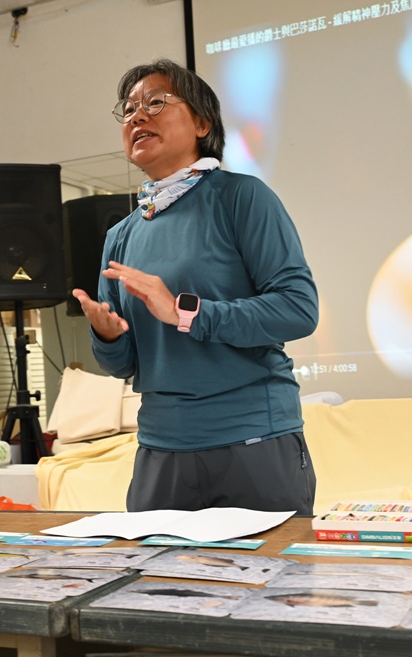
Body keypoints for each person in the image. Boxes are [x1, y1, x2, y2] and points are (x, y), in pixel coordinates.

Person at [72, 59, 319, 514]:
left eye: (156, 102)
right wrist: (107, 335)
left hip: (252, 440)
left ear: (203, 122)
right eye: (128, 110)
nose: (137, 117)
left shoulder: (242, 197)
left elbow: (298, 309)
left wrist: (186, 311)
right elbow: (123, 366)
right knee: (160, 584)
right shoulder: (120, 235)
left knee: (272, 584)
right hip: (160, 447)